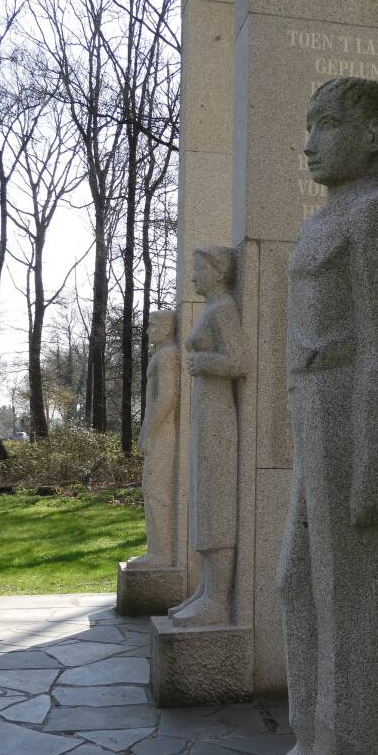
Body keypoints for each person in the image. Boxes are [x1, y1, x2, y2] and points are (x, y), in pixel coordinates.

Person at [242, 77, 378, 755]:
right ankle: (313, 740)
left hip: (353, 427)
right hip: (314, 417)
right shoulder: (334, 216)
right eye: (308, 124)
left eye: (325, 125)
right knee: (299, 583)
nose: (308, 141)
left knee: (353, 597)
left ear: (372, 136)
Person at [169, 246, 247, 627]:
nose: (193, 277)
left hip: (218, 413)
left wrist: (202, 363)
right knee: (203, 498)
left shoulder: (224, 308)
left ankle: (217, 598)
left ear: (218, 272)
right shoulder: (212, 308)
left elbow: (239, 361)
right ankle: (205, 590)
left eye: (199, 269)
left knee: (215, 499)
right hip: (205, 411)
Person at [128, 310, 179, 569]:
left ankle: (161, 553)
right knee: (151, 489)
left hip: (163, 432)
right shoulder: (163, 354)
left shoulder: (167, 355)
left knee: (156, 490)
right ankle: (156, 550)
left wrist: (150, 431)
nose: (149, 330)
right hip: (158, 431)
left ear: (167, 328)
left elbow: (167, 397)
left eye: (153, 325)